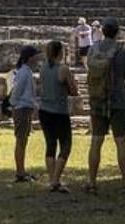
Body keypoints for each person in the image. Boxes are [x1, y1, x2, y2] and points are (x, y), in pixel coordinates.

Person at [85, 17, 125, 195]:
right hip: (118, 101)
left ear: (103, 31)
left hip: (98, 99)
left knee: (96, 141)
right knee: (121, 142)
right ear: (117, 31)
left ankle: (91, 182)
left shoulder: (93, 49)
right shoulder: (122, 53)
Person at [39, 40, 78, 193]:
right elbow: (74, 91)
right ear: (60, 52)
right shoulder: (63, 69)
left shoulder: (43, 68)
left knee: (50, 145)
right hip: (59, 112)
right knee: (65, 146)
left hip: (44, 111)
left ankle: (52, 180)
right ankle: (55, 180)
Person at [10, 45, 40, 183]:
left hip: (25, 108)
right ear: (30, 57)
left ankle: (22, 170)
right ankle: (20, 172)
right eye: (35, 56)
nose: (38, 58)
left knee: (24, 140)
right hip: (21, 108)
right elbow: (17, 91)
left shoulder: (26, 71)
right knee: (21, 140)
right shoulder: (23, 72)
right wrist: (15, 104)